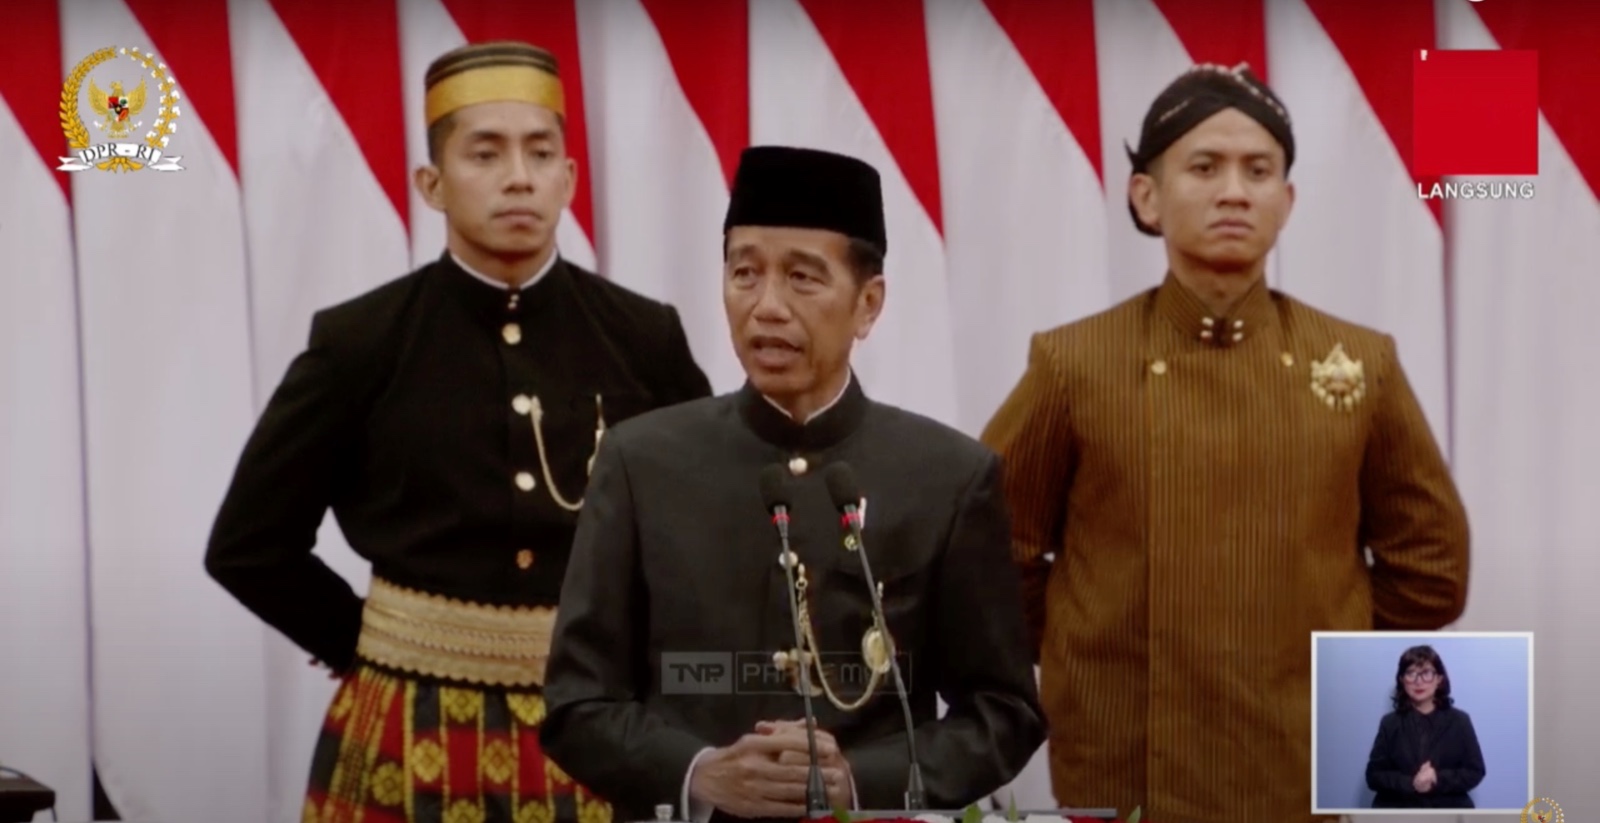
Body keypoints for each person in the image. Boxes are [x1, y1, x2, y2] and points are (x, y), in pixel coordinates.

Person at [204, 40, 712, 823]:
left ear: (569, 178)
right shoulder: (363, 340)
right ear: (432, 184)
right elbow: (247, 543)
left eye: (541, 152)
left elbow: (703, 533)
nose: (519, 175)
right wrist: (372, 644)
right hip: (408, 722)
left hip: (596, 727)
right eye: (486, 152)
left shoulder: (642, 336)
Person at [980, 63, 1471, 823]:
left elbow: (1432, 567)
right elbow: (991, 552)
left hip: (1301, 757)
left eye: (1258, 170)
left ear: (1287, 200)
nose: (1234, 190)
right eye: (1204, 167)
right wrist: (1093, 644)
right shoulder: (1073, 362)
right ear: (1146, 194)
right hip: (1124, 762)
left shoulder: (1359, 361)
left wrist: (1313, 654)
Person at [537, 145, 1047, 822]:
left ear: (869, 303)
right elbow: (578, 704)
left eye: (803, 278)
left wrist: (860, 779)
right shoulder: (640, 462)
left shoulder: (948, 476)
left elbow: (1002, 713)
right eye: (744, 272)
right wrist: (700, 771)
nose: (767, 305)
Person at [1365, 645, 1486, 808]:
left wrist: (1437, 778)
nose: (1418, 681)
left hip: (1447, 809)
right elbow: (1373, 776)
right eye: (1411, 673)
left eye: (1426, 673)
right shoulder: (1389, 723)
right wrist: (1411, 783)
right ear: (1402, 680)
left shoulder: (1460, 721)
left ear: (1439, 679)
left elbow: (1475, 771)